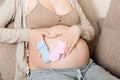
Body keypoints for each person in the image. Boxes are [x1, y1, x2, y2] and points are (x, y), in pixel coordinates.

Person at [0, 0, 119, 80]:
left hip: (88, 68)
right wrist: (29, 34)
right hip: (48, 73)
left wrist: (77, 30)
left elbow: (90, 30)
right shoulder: (17, 2)